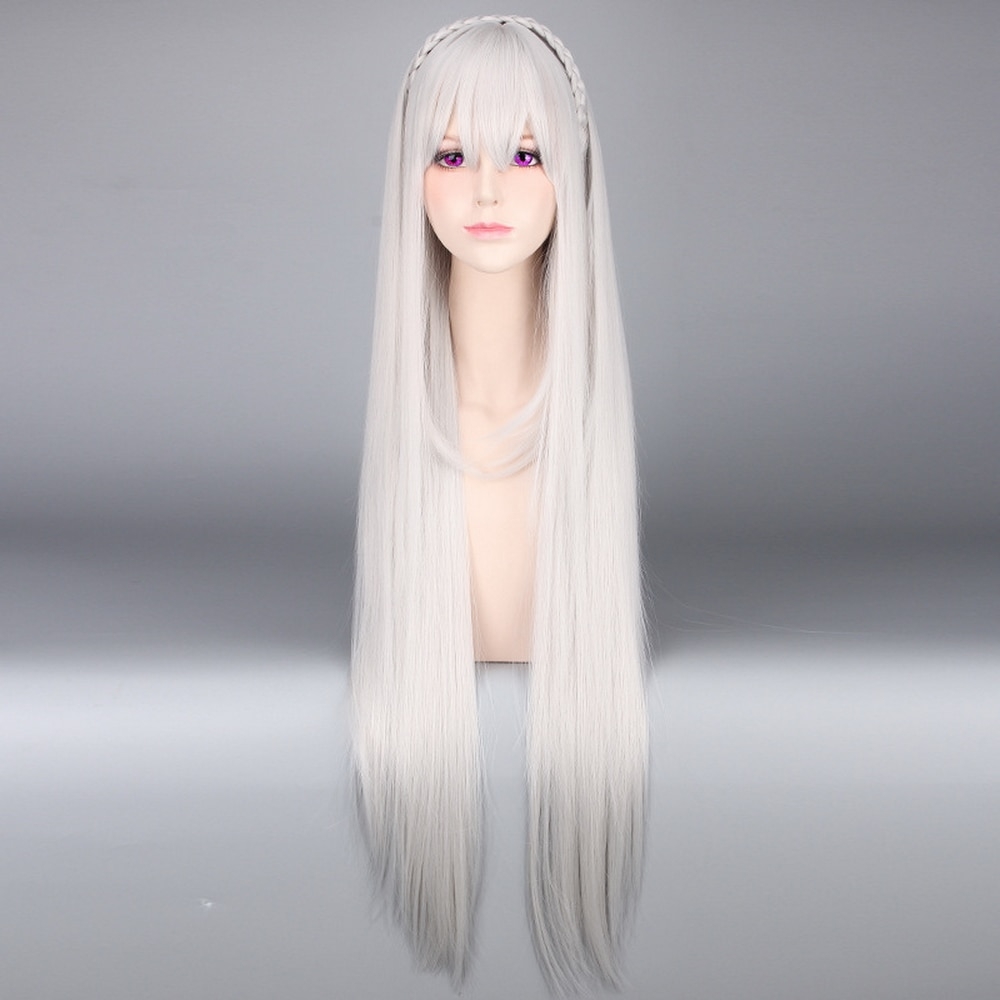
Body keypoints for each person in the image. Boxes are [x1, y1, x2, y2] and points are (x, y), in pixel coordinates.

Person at [351, 16, 648, 993]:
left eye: (525, 154)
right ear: (411, 175)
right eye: (451, 154)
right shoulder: (410, 441)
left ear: (574, 173)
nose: (486, 189)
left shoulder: (581, 452)